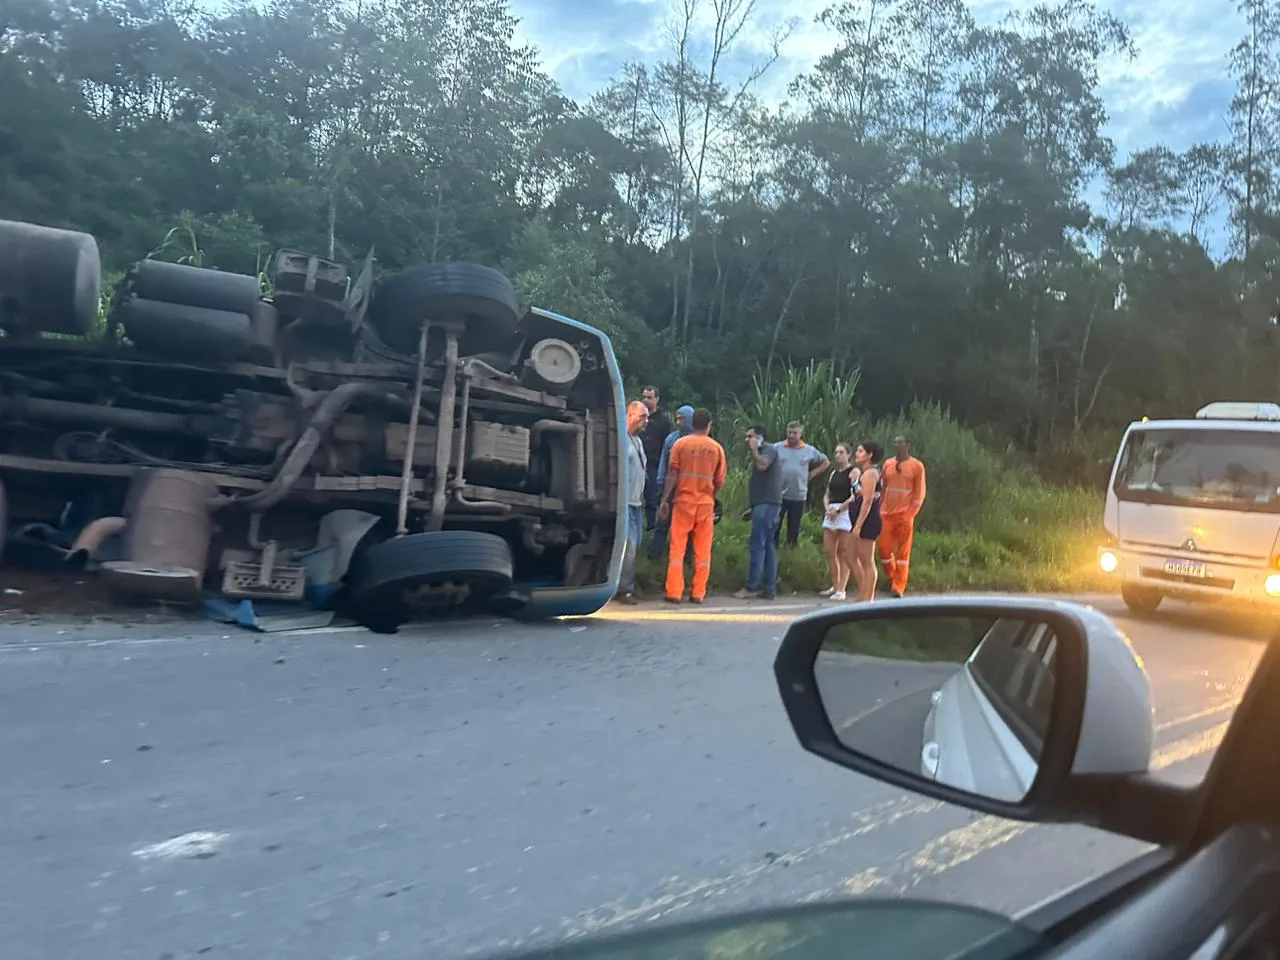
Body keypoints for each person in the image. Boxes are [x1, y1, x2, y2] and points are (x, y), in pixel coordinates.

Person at [657, 408, 726, 604]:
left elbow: (672, 474)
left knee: (677, 548)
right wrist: (711, 495)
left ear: (691, 422)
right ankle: (698, 592)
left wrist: (664, 500)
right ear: (709, 424)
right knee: (703, 550)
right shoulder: (716, 448)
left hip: (683, 502)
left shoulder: (680, 444)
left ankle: (674, 592)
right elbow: (720, 479)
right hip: (705, 504)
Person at [734, 425, 782, 601]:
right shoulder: (766, 450)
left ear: (760, 437)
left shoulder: (768, 450)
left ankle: (751, 586)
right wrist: (753, 507)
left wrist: (755, 450)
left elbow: (762, 465)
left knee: (757, 545)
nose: (747, 440)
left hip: (767, 505)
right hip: (764, 505)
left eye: (750, 436)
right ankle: (769, 588)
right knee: (768, 545)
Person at [878, 434, 927, 598]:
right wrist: (879, 508)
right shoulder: (888, 464)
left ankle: (899, 586)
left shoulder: (917, 466)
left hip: (905, 514)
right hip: (886, 514)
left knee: (903, 553)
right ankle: (892, 578)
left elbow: (919, 493)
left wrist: (910, 514)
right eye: (895, 442)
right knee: (884, 550)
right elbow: (883, 488)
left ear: (908, 444)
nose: (897, 445)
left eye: (900, 442)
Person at [648, 404, 694, 563]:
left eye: (682, 418)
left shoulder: (699, 440)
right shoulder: (671, 439)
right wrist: (660, 486)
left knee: (688, 528)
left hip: (689, 490)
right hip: (670, 488)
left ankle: (687, 560)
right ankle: (654, 558)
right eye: (677, 418)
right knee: (662, 523)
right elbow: (663, 464)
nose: (678, 422)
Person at [774, 421, 829, 548]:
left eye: (795, 433)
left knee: (794, 528)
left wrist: (813, 473)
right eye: (789, 432)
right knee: (774, 526)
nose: (791, 435)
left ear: (800, 434)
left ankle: (791, 552)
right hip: (778, 495)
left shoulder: (809, 450)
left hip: (798, 495)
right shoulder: (777, 447)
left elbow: (825, 462)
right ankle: (773, 552)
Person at [616, 400, 649, 604]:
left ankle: (627, 585)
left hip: (637, 502)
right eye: (642, 417)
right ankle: (624, 590)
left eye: (647, 417)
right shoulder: (622, 439)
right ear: (629, 416)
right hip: (625, 501)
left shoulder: (638, 441)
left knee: (636, 545)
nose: (646, 421)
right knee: (629, 545)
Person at [820, 443, 858, 602]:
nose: (838, 455)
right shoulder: (834, 473)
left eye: (841, 452)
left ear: (848, 454)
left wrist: (839, 510)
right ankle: (835, 585)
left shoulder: (853, 471)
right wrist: (827, 507)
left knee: (844, 552)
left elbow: (855, 495)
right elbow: (827, 494)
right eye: (836, 452)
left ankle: (842, 589)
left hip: (844, 511)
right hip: (831, 511)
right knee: (830, 551)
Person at [848, 441, 884, 602]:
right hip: (858, 518)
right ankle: (863, 591)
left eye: (860, 451)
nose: (857, 453)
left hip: (867, 520)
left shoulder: (870, 474)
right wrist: (855, 483)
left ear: (870, 455)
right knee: (850, 555)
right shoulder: (866, 473)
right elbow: (861, 494)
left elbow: (867, 501)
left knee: (866, 559)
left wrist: (858, 526)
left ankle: (868, 597)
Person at [639, 386, 671, 531]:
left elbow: (667, 444)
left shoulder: (663, 421)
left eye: (649, 397)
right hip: (637, 464)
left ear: (657, 399)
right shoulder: (637, 417)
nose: (646, 400)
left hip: (654, 465)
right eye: (644, 397)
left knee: (651, 499)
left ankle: (652, 527)